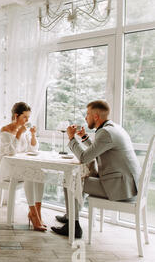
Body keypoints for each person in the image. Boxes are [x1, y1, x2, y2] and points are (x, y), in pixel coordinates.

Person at [51, 100, 141, 238]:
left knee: (70, 180)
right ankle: (70, 217)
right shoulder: (113, 128)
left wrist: (71, 138)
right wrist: (84, 137)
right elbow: (98, 150)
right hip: (128, 184)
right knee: (74, 179)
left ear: (96, 117)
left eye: (87, 114)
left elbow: (84, 157)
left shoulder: (105, 133)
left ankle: (73, 226)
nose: (86, 118)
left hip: (120, 187)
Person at [0, 102, 46, 232]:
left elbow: (33, 148)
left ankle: (37, 212)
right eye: (25, 117)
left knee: (39, 173)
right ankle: (33, 214)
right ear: (16, 116)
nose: (27, 120)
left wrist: (33, 135)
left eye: (29, 117)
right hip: (7, 167)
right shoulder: (5, 131)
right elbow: (10, 152)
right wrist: (18, 135)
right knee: (29, 174)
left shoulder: (25, 130)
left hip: (21, 165)